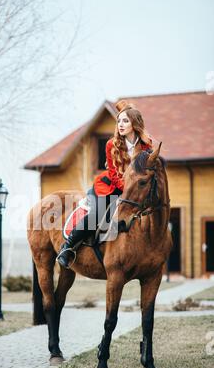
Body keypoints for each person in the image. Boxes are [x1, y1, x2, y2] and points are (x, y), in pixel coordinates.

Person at [56, 99, 153, 269]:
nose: (120, 125)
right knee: (96, 216)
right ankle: (68, 247)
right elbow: (115, 175)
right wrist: (127, 190)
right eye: (119, 121)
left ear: (134, 124)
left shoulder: (146, 146)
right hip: (108, 188)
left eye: (125, 121)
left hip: (133, 190)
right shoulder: (111, 144)